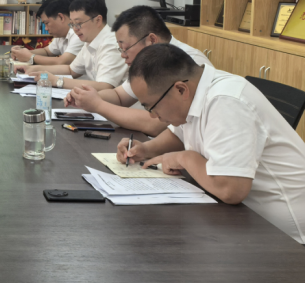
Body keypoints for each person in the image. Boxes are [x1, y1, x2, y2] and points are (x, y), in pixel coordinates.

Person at [118, 43, 305, 244]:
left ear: (180, 89)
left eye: (151, 107)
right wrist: (146, 149)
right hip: (244, 218)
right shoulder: (196, 91)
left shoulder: (226, 102)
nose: (152, 116)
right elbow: (179, 134)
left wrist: (185, 158)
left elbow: (231, 190)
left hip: (288, 236)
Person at [64, 6, 212, 135]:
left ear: (151, 40)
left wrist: (98, 105)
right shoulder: (151, 61)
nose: (123, 55)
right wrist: (85, 97)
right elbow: (119, 96)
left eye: (126, 48)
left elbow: (156, 124)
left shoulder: (188, 63)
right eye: (120, 49)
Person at [15, 0, 127, 91]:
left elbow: (105, 87)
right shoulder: (89, 41)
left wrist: (57, 80)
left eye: (78, 23)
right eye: (72, 24)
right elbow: (70, 70)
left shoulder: (112, 44)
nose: (75, 29)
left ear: (98, 20)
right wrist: (34, 69)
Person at [10, 0, 83, 66]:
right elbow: (47, 51)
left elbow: (62, 62)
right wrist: (22, 53)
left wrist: (30, 57)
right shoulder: (61, 35)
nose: (46, 28)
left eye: (47, 23)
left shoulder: (78, 34)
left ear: (61, 17)